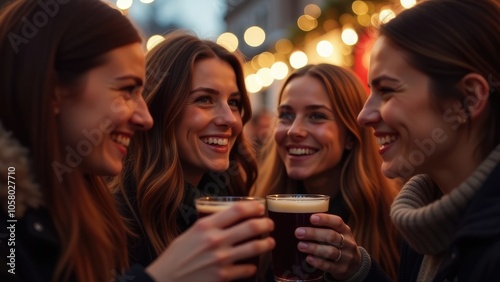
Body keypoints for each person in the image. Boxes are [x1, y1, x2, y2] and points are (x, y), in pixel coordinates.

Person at [0, 1, 274, 282]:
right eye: (126, 90)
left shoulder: (77, 203)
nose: (144, 116)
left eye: (236, 103)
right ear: (54, 89)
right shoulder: (108, 216)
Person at [356, 0, 500, 281]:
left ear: (470, 97)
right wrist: (358, 273)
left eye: (387, 90)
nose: (365, 115)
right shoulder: (425, 225)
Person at [111, 30, 259, 266]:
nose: (230, 119)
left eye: (234, 102)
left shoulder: (232, 204)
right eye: (204, 99)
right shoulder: (115, 219)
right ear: (158, 109)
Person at [254, 64, 400, 281]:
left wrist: (360, 272)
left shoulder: (397, 222)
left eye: (316, 116)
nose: (294, 130)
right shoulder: (258, 212)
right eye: (286, 115)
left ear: (351, 135)